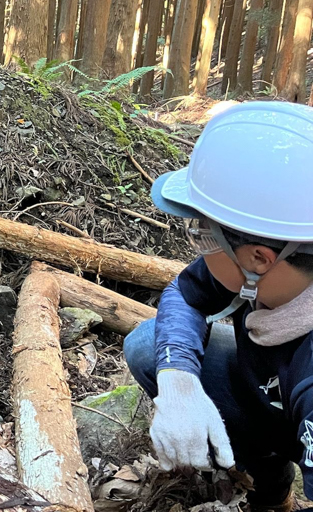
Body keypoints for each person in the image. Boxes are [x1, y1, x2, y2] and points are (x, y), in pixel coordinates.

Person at [124, 101, 313, 511]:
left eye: (202, 236)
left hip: (300, 404)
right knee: (149, 345)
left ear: (260, 257)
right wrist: (178, 381)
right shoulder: (274, 272)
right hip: (275, 396)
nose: (196, 248)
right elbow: (185, 292)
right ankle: (271, 488)